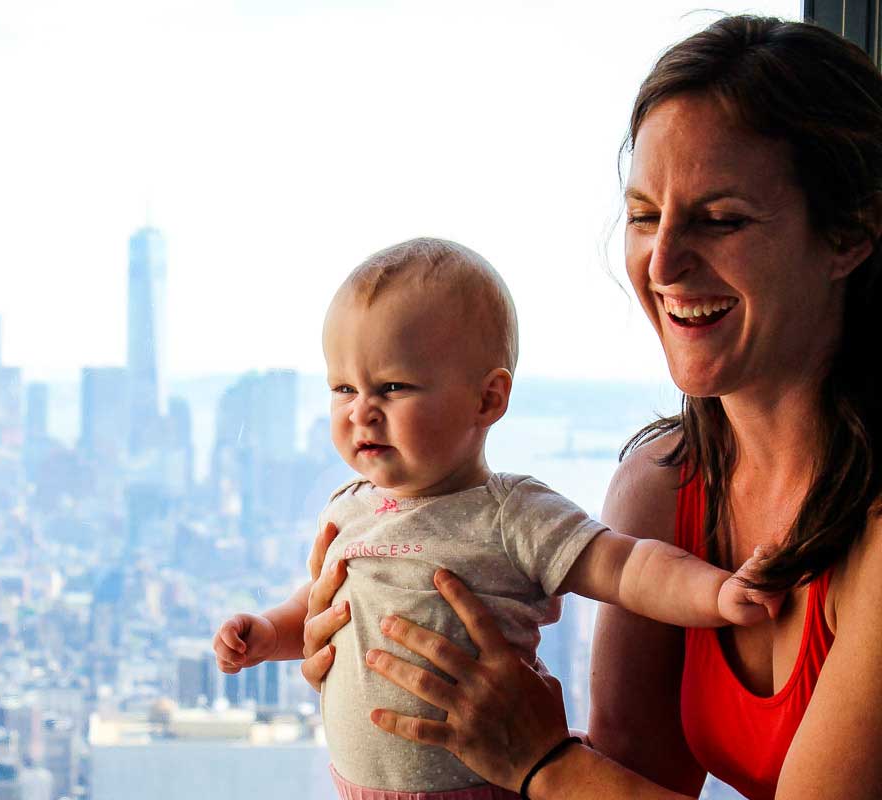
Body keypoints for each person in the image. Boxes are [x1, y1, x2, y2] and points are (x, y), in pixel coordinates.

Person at [298, 15, 882, 800]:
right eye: (644, 216)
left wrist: (541, 759)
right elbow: (630, 782)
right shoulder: (664, 484)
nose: (664, 264)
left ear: (849, 234)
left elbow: (574, 780)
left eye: (721, 220)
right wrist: (386, 679)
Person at [212, 237, 780, 800]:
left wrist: (717, 595)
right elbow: (318, 603)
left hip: (486, 784)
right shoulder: (347, 507)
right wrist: (266, 634)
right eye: (343, 388)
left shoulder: (512, 515)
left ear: (487, 400)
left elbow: (628, 566)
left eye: (392, 386)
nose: (362, 409)